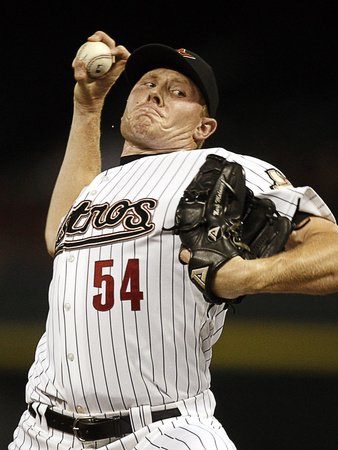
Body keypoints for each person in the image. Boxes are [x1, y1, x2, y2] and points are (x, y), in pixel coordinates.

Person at [9, 31, 338, 450]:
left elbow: (332, 252)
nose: (155, 94)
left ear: (204, 127)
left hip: (159, 431)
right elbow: (59, 237)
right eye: (147, 84)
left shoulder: (223, 167)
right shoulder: (99, 183)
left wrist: (245, 276)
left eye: (177, 91)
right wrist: (88, 108)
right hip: (41, 432)